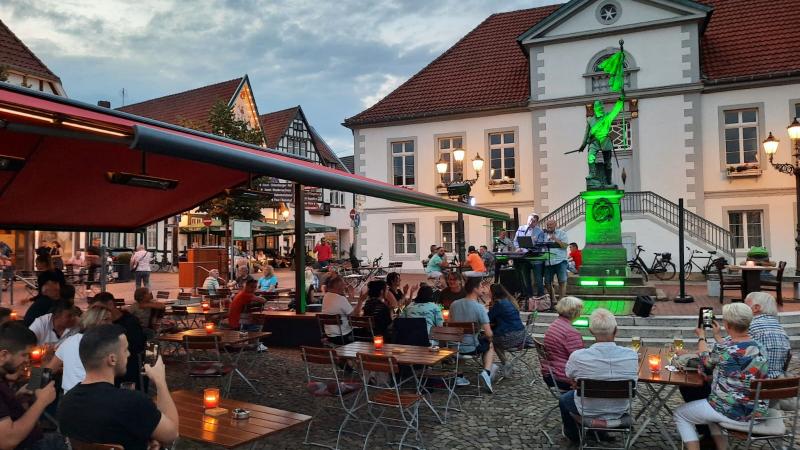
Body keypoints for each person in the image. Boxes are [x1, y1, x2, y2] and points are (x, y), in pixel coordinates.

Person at [58, 324, 179, 449]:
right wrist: (160, 382)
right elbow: (171, 434)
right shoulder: (132, 402)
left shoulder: (66, 402)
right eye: (125, 349)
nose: (129, 354)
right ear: (112, 359)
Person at [673, 303, 769, 450]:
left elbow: (706, 362)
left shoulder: (723, 349)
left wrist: (702, 337)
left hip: (731, 411)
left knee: (681, 414)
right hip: (756, 412)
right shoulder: (760, 347)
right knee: (712, 416)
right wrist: (717, 336)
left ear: (728, 324)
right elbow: (734, 351)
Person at [559, 308, 638, 446]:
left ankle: (573, 436)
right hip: (619, 410)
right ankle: (600, 432)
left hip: (587, 409)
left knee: (564, 399)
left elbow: (569, 375)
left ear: (590, 331)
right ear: (616, 330)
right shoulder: (631, 355)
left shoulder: (578, 356)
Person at [0, 322, 63, 450]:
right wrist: (41, 402)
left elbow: (34, 384)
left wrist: (18, 398)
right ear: (3, 355)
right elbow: (7, 441)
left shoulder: (4, 373)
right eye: (24, 355)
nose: (27, 361)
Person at [46, 305, 111, 392]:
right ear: (94, 320)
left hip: (70, 397)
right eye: (106, 319)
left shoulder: (70, 341)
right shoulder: (104, 345)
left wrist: (32, 388)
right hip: (93, 396)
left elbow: (48, 370)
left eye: (110, 320)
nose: (111, 323)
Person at [89, 293, 147, 389]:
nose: (98, 313)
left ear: (111, 304)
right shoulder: (100, 324)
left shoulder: (130, 322)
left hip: (129, 371)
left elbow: (137, 347)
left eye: (101, 309)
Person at [449, 277, 497, 393]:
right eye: (481, 286)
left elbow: (450, 324)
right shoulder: (479, 308)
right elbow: (489, 333)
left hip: (454, 346)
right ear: (475, 289)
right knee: (490, 345)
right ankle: (487, 371)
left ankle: (459, 376)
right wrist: (489, 337)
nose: (482, 288)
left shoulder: (454, 304)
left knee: (463, 341)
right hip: (471, 347)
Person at [543, 296, 585, 390]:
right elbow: (580, 358)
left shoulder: (554, 325)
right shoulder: (571, 332)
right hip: (562, 375)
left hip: (550, 371)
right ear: (575, 312)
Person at [745, 292, 790, 378]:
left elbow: (730, 350)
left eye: (745, 305)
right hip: (778, 380)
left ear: (756, 308)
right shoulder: (778, 326)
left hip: (756, 383)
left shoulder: (750, 325)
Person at [488, 284, 526, 376]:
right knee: (497, 338)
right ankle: (505, 364)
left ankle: (501, 364)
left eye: (489, 291)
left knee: (489, 341)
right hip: (522, 336)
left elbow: (487, 318)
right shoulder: (510, 301)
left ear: (494, 293)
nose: (488, 293)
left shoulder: (499, 304)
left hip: (511, 337)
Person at [321, 275, 365, 345]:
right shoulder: (340, 299)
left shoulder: (326, 296)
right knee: (367, 332)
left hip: (330, 335)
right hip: (343, 336)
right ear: (338, 287)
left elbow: (341, 306)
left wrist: (350, 296)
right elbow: (354, 316)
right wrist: (361, 300)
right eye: (343, 285)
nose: (345, 287)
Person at [514, 213, 545, 300]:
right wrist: (518, 247)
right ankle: (529, 296)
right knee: (525, 278)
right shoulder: (521, 228)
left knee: (538, 278)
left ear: (536, 222)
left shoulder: (540, 231)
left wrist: (532, 245)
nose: (531, 222)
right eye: (530, 219)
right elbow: (515, 241)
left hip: (535, 257)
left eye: (533, 221)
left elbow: (541, 245)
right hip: (524, 257)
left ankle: (541, 296)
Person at [543, 219, 569, 301]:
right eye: (548, 225)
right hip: (548, 261)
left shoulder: (562, 233)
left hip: (560, 260)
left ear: (555, 225)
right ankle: (553, 299)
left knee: (562, 281)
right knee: (547, 282)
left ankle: (561, 301)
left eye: (551, 224)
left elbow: (565, 246)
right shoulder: (544, 235)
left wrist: (555, 239)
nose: (549, 226)